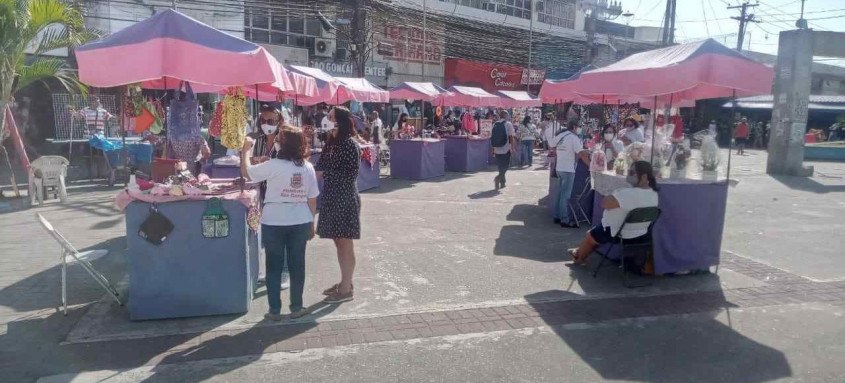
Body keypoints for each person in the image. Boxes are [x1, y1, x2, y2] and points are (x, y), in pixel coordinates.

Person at [240, 127, 319, 320]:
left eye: (279, 139)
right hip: (300, 220)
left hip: (273, 221)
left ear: (283, 144)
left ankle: (274, 310)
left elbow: (247, 173)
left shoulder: (274, 165)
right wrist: (311, 222)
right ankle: (297, 307)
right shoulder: (307, 167)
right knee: (297, 265)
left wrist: (245, 152)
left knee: (273, 266)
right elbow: (312, 199)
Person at [569, 161, 660, 265]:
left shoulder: (627, 193)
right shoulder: (654, 194)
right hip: (641, 234)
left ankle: (579, 258)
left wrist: (615, 193)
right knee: (595, 234)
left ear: (644, 176)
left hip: (617, 234)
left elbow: (604, 203)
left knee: (590, 235)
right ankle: (579, 252)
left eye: (631, 172)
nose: (628, 174)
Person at [316, 107, 361, 304]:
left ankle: (346, 289)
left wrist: (324, 173)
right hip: (331, 196)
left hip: (344, 197)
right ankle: (345, 282)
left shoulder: (350, 144)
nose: (327, 120)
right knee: (338, 241)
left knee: (344, 242)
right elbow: (320, 166)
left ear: (340, 121)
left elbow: (350, 174)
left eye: (331, 117)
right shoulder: (331, 142)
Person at [549, 118, 585, 227]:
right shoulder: (574, 138)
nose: (580, 129)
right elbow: (581, 153)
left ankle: (557, 216)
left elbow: (551, 144)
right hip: (568, 169)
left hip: (559, 168)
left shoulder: (562, 135)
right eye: (579, 126)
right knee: (565, 195)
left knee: (559, 194)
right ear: (574, 127)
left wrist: (560, 152)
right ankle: (564, 219)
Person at [491, 110, 515, 190]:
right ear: (505, 116)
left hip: (497, 149)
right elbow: (511, 137)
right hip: (506, 148)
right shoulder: (508, 124)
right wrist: (512, 147)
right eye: (507, 115)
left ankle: (502, 182)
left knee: (500, 166)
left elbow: (492, 137)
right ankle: (499, 178)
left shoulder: (495, 124)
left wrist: (493, 149)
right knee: (506, 165)